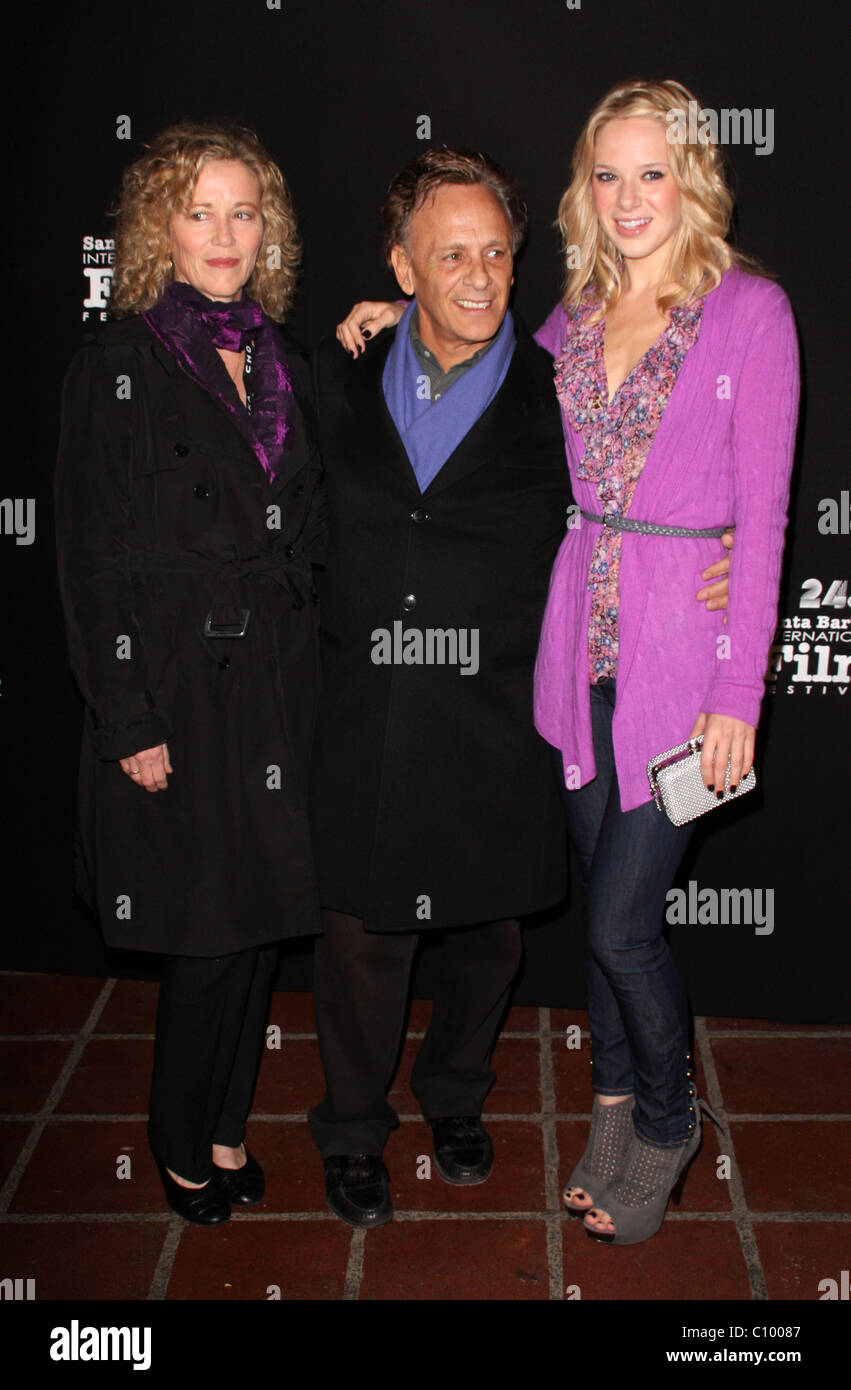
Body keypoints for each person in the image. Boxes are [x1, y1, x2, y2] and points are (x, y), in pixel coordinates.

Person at [310, 143, 732, 1231]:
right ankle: (353, 1127)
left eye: (496, 251)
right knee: (361, 938)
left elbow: (660, 485)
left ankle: (453, 1098)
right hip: (367, 710)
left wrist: (715, 555)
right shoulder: (339, 374)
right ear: (400, 267)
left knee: (486, 934)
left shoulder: (560, 393)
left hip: (496, 714)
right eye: (449, 253)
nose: (478, 275)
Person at [55, 122, 325, 1225]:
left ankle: (225, 1121)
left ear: (269, 232)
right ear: (159, 227)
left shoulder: (280, 359)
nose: (224, 233)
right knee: (208, 929)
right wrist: (128, 715)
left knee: (260, 921)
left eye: (244, 211)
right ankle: (176, 1137)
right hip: (172, 682)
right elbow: (87, 553)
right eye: (200, 210)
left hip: (275, 677)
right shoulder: (115, 366)